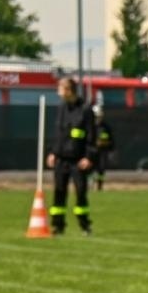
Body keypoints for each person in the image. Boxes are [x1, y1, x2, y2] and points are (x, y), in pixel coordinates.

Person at [46, 77, 97, 235]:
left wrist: (88, 157)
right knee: (59, 191)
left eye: (60, 89)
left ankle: (84, 225)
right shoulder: (62, 108)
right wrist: (54, 152)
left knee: (81, 192)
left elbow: (91, 136)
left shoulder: (85, 110)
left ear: (69, 90)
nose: (58, 92)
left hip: (78, 159)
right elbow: (59, 133)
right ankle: (58, 226)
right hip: (62, 159)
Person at [92, 99, 116, 191]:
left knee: (101, 170)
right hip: (91, 151)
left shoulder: (106, 127)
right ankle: (90, 185)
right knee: (90, 169)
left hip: (102, 152)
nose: (98, 118)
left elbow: (111, 141)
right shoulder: (89, 126)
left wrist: (104, 143)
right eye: (96, 116)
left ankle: (99, 186)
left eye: (99, 116)